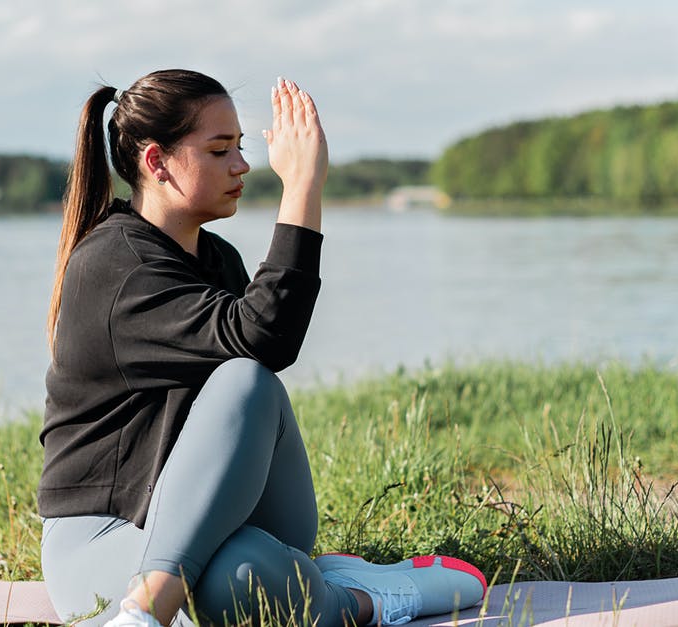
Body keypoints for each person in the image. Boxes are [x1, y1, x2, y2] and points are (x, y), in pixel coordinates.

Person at [38, 69, 487, 627]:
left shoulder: (217, 259)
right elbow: (262, 336)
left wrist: (303, 188)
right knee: (240, 579)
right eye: (220, 150)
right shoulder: (114, 266)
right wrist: (301, 188)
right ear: (157, 163)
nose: (243, 166)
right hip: (103, 535)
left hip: (215, 517)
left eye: (241, 147)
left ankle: (259, 588)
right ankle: (358, 600)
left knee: (247, 384)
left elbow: (261, 346)